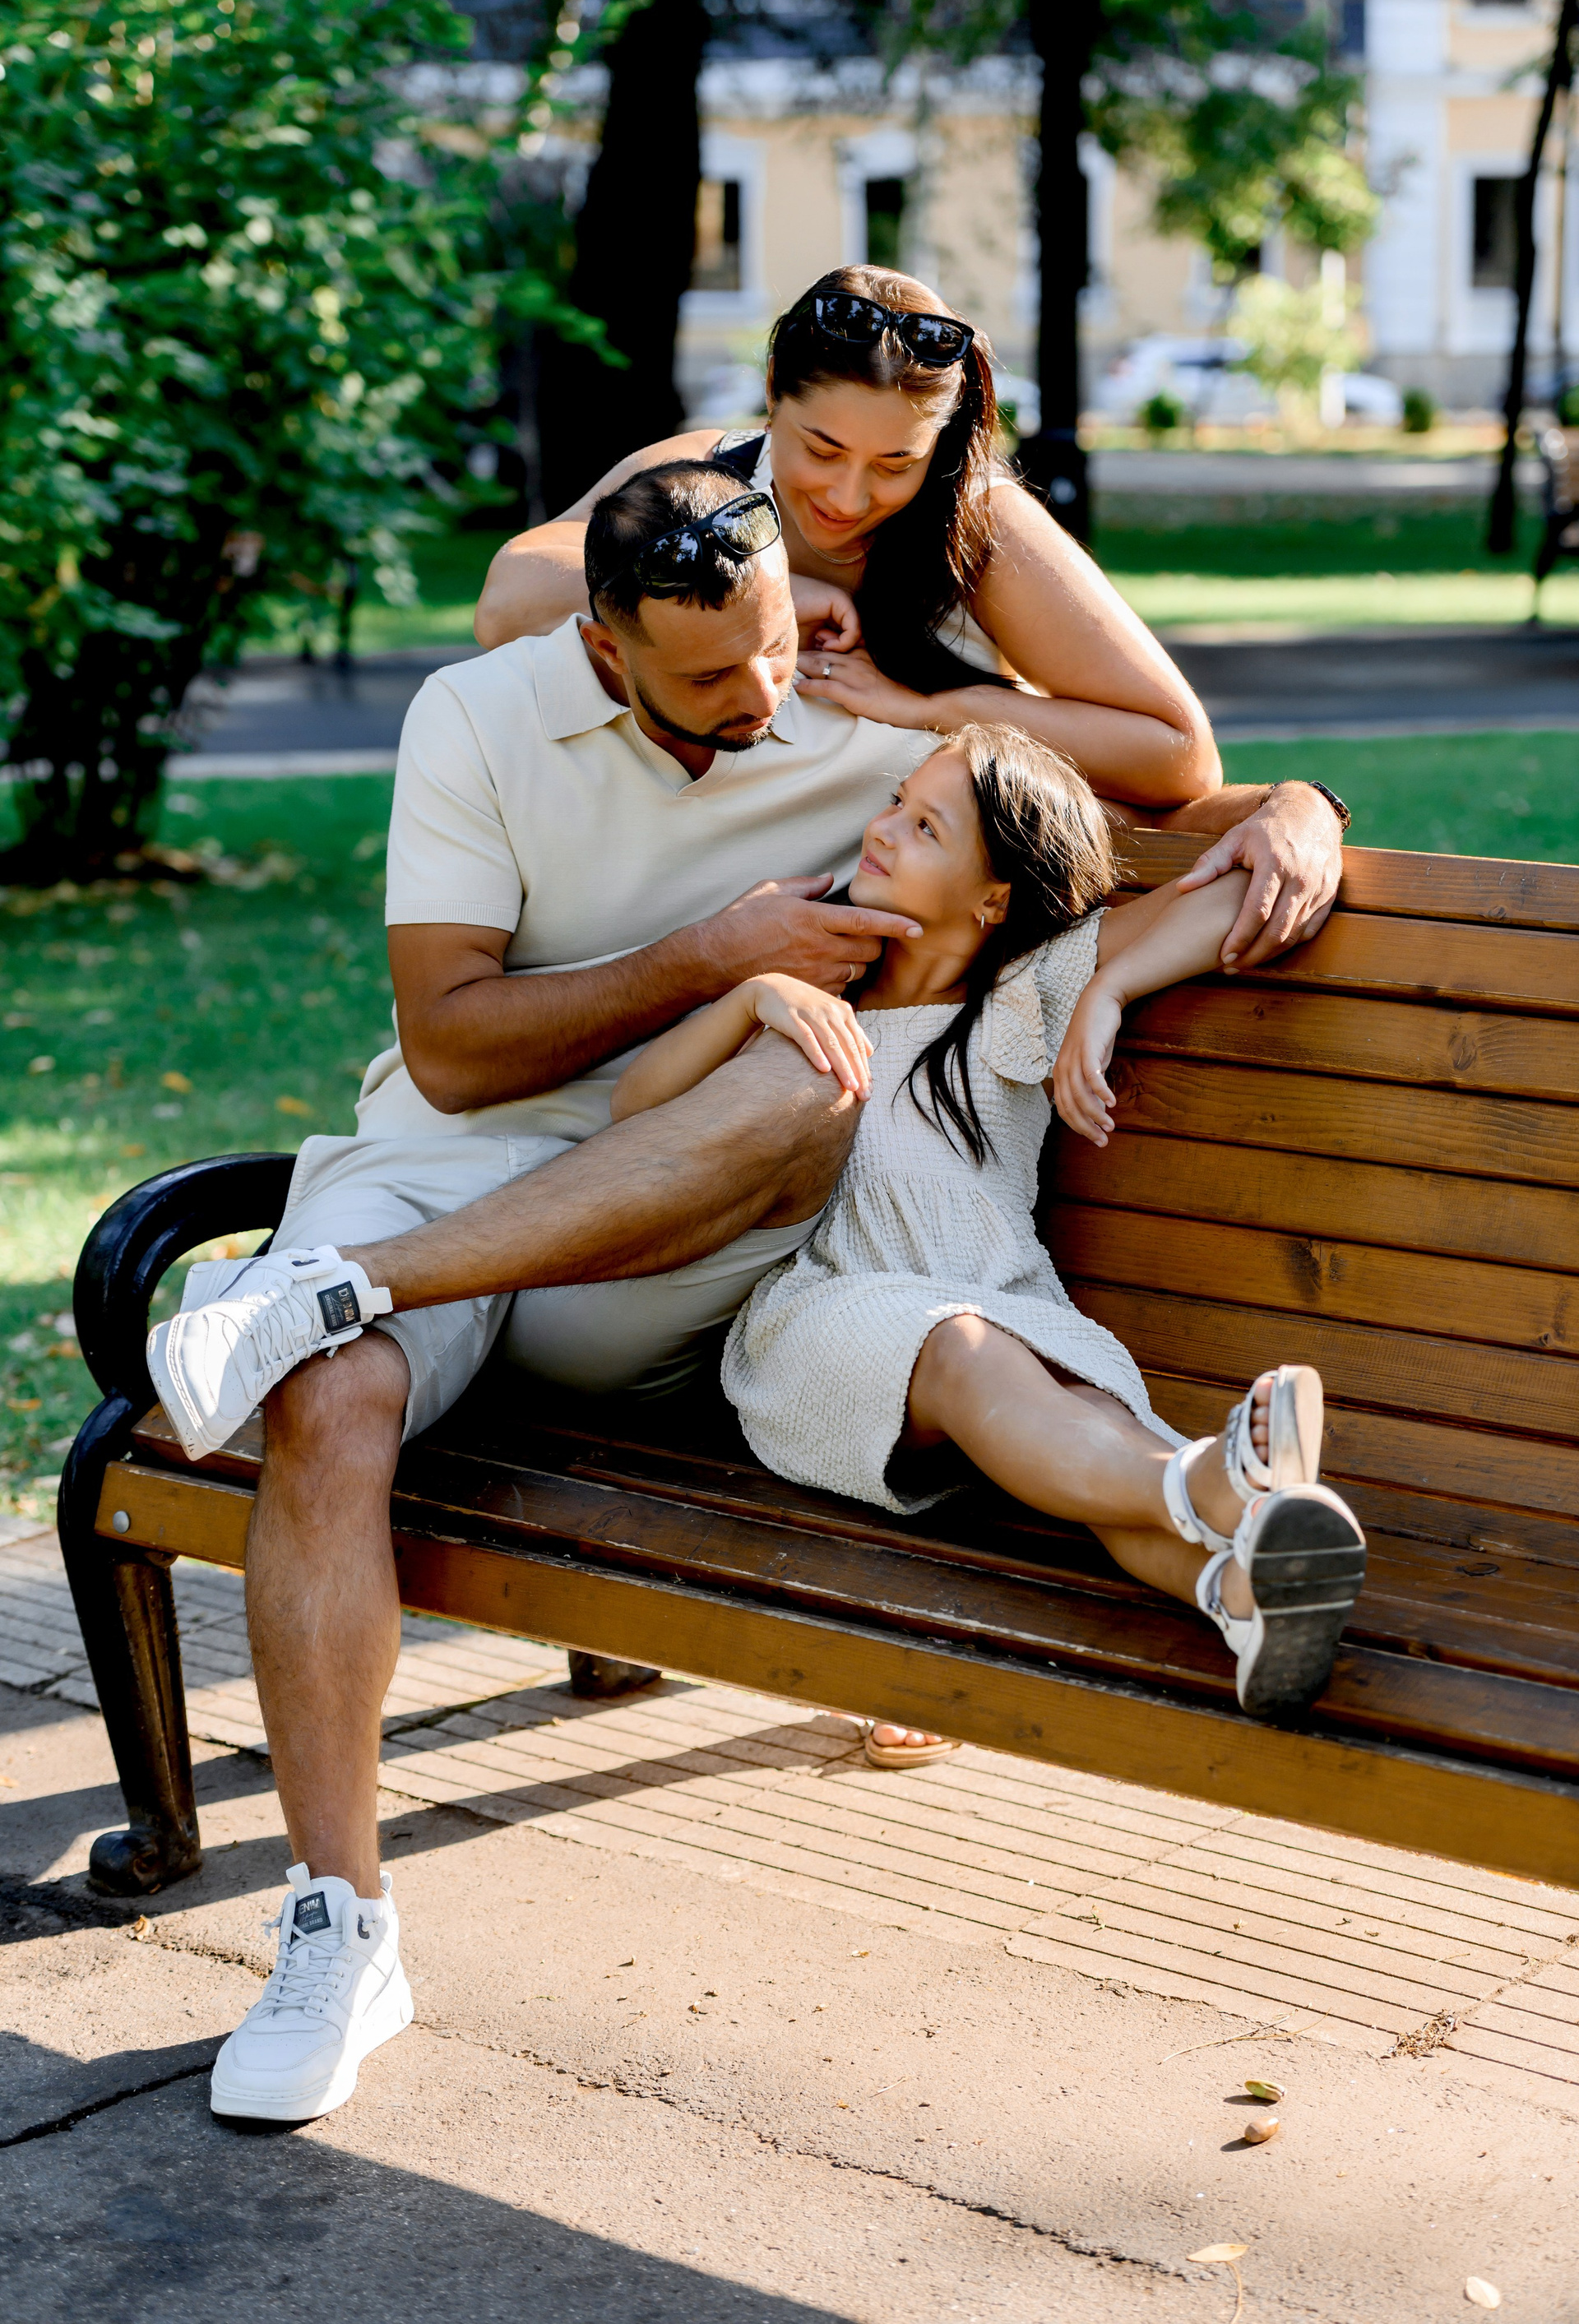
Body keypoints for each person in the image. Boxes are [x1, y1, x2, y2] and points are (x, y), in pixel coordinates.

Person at [149, 461, 1341, 2125]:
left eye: (782, 646)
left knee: (813, 1086)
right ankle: (339, 1933)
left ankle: (327, 1287)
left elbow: (1149, 776)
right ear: (606, 648)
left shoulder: (859, 732)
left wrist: (1303, 809)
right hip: (456, 1166)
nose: (769, 699)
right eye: (716, 676)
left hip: (668, 1244)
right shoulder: (475, 720)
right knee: (327, 1400)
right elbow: (452, 1050)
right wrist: (724, 959)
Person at [610, 723, 1368, 1760]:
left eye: (926, 827)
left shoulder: (1023, 999)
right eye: (897, 804)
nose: (884, 831)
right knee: (964, 1352)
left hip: (1007, 1308)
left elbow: (1236, 895)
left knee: (1099, 1418)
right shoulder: (815, 996)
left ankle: (1239, 1589)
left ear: (992, 900)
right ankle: (1214, 1483)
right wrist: (754, 996)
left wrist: (1110, 988)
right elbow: (638, 1116)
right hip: (825, 1328)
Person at [475, 262, 1350, 972]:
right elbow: (509, 601)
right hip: (705, 919)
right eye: (821, 449)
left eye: (895, 463)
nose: (848, 497)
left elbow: (1176, 755)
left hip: (912, 951)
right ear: (774, 392)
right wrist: (769, 592)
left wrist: (930, 709)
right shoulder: (710, 481)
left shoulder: (980, 527)